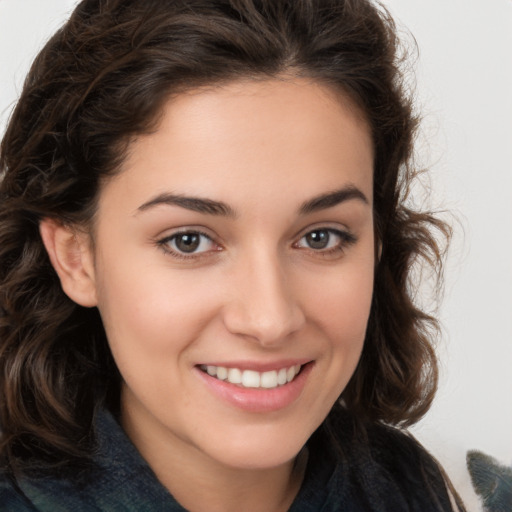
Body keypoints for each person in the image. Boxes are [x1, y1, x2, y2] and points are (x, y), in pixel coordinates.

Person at [0, 0, 466, 510]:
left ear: (377, 244)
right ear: (76, 257)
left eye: (321, 237)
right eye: (189, 241)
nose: (269, 320)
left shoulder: (416, 488)